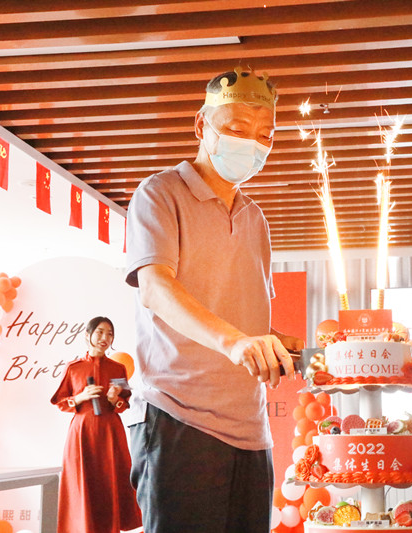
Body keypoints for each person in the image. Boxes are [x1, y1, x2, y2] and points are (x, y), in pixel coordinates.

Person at [124, 67, 303, 533]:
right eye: (237, 129)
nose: (253, 145)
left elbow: (244, 318)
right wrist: (235, 343)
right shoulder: (160, 193)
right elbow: (155, 288)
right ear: (201, 125)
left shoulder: (255, 218)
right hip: (178, 417)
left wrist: (275, 344)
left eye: (265, 136)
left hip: (251, 428)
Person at [50, 316, 141, 533]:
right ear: (88, 335)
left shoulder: (118, 369)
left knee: (111, 478)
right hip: (82, 433)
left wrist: (114, 400)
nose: (104, 338)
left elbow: (125, 404)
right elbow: (60, 402)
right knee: (82, 480)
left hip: (110, 432)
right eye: (100, 332)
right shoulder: (74, 368)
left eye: (110, 334)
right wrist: (80, 397)